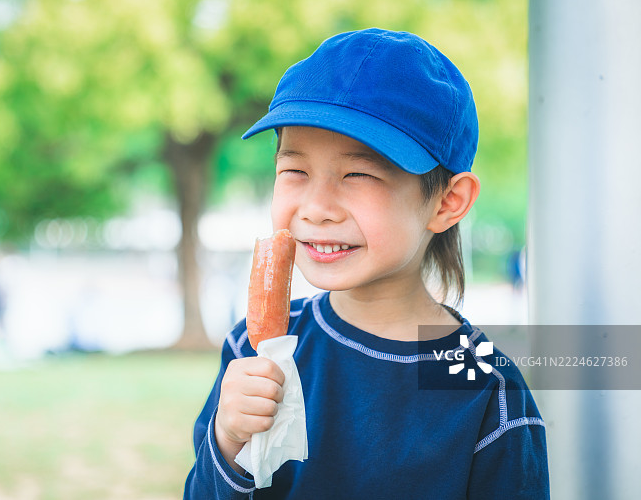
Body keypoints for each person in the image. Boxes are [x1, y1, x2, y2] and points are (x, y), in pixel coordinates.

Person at [184, 29, 549, 499]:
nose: (317, 208)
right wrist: (228, 443)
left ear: (447, 202)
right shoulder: (255, 350)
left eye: (357, 173)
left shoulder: (488, 393)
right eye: (295, 170)